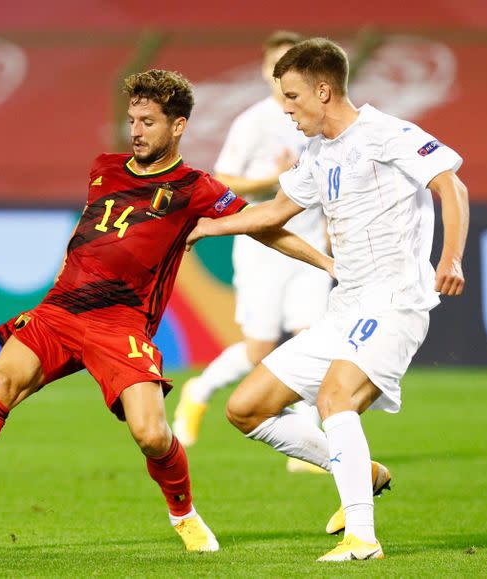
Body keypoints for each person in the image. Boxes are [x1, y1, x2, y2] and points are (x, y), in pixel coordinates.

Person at [0, 69, 334, 552]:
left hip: (121, 323)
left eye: (148, 121)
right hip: (61, 310)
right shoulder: (104, 167)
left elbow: (264, 227)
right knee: (1, 385)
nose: (136, 131)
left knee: (151, 435)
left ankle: (184, 514)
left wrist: (326, 261)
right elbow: (87, 232)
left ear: (178, 126)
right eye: (132, 120)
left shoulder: (195, 186)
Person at [185, 38, 469, 562]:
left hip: (394, 302)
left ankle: (362, 539)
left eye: (292, 97)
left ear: (323, 89)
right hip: (347, 306)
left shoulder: (386, 133)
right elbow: (271, 214)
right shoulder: (318, 153)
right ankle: (366, 473)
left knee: (334, 400)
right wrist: (206, 227)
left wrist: (449, 259)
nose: (286, 108)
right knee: (247, 408)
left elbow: (451, 185)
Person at [172, 32, 332, 476]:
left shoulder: (319, 119)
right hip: (264, 247)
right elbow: (222, 180)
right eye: (275, 66)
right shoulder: (253, 122)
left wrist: (330, 226)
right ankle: (199, 391)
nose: (282, 75)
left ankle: (307, 443)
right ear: (265, 71)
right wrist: (269, 179)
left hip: (309, 244)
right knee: (260, 349)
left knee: (311, 339)